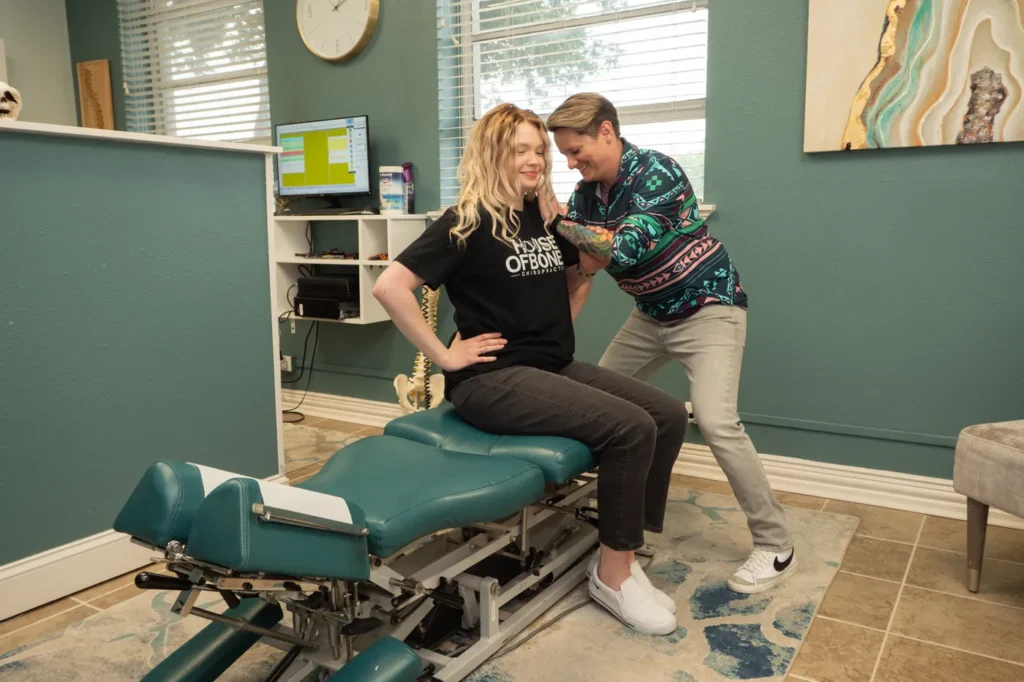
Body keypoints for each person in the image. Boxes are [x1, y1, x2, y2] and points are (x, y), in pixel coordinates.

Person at [372, 103, 689, 635]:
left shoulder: (542, 216)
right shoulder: (465, 221)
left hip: (548, 366)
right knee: (630, 428)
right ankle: (612, 577)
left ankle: (625, 555)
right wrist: (447, 357)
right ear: (493, 154)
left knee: (664, 413)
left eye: (539, 150)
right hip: (489, 381)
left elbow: (584, 271)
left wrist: (550, 321)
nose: (535, 159)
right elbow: (390, 287)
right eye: (520, 150)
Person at [542, 93, 796, 594]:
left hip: (709, 309)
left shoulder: (658, 172)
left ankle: (775, 543)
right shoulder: (589, 194)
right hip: (649, 314)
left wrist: (557, 221)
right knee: (595, 402)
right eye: (565, 155)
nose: (572, 163)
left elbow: (619, 249)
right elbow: (586, 262)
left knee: (718, 420)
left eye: (577, 151)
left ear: (607, 132)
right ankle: (614, 515)